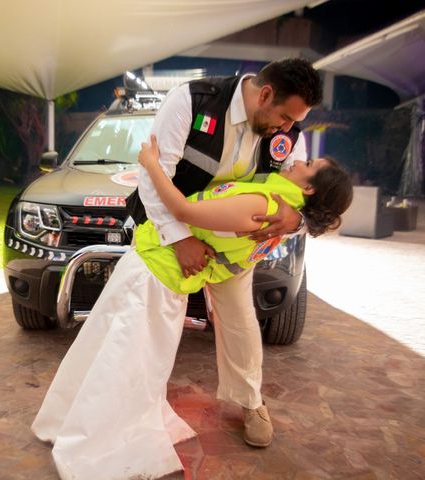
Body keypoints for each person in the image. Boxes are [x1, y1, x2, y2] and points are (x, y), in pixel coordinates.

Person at [31, 135, 353, 480]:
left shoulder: (266, 205)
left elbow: (183, 211)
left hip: (156, 276)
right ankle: (82, 420)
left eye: (308, 165)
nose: (296, 160)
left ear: (307, 189)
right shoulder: (277, 206)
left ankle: (96, 436)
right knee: (117, 352)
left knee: (122, 359)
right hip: (158, 270)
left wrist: (151, 163)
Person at [125, 58, 323, 448]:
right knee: (149, 317)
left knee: (240, 320)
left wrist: (295, 219)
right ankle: (136, 401)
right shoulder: (193, 100)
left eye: (293, 122)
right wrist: (179, 238)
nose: (288, 129)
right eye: (284, 117)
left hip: (234, 245)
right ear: (265, 94)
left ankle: (250, 401)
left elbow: (309, 197)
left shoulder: (289, 129)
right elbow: (154, 172)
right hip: (170, 228)